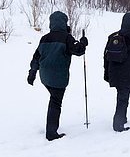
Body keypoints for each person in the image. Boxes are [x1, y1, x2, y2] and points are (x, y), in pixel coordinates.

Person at [28, 11, 88, 141]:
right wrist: (83, 42)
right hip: (58, 77)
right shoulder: (66, 37)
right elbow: (78, 51)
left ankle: (51, 129)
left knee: (53, 99)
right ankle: (51, 133)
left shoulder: (44, 38)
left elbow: (36, 57)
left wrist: (32, 73)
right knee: (55, 102)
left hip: (44, 76)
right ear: (63, 23)